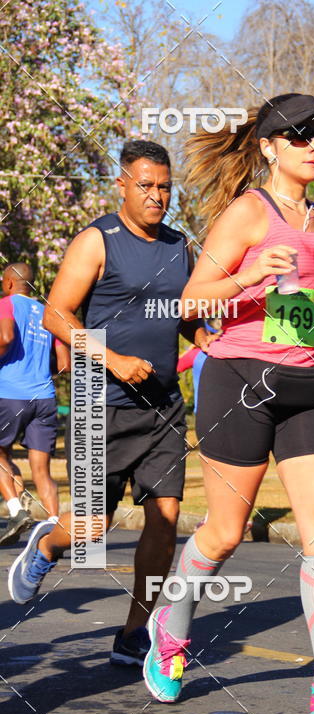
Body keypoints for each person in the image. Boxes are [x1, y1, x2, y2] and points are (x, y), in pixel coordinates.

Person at [142, 93, 314, 714]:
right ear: (269, 148)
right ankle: (168, 634)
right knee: (225, 533)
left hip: (308, 383)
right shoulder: (246, 214)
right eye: (301, 135)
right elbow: (190, 303)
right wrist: (249, 273)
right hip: (239, 381)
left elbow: (303, 297)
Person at [8, 139, 201, 668]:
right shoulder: (98, 240)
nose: (157, 196)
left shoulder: (179, 246)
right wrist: (112, 358)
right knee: (94, 527)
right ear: (122, 184)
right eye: (146, 185)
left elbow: (183, 316)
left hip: (162, 406)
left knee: (165, 519)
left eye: (165, 186)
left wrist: (209, 338)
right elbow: (57, 315)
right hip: (102, 400)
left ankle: (134, 632)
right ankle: (48, 545)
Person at [0, 262, 69, 546]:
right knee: (41, 469)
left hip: (9, 393)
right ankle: (55, 528)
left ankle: (16, 512)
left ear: (9, 284)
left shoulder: (6, 305)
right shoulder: (48, 313)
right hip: (44, 397)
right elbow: (65, 364)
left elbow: (5, 338)